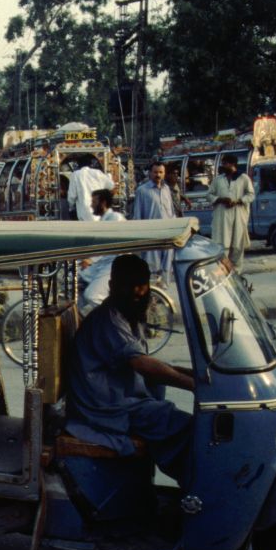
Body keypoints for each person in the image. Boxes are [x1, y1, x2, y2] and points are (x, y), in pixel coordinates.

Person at [66, 254, 194, 479]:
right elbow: (142, 364)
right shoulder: (109, 320)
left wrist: (197, 376)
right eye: (129, 285)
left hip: (123, 400)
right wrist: (193, 385)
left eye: (141, 285)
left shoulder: (127, 315)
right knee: (185, 426)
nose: (137, 291)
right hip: (106, 408)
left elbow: (151, 364)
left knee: (169, 417)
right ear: (112, 286)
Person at [80, 189, 127, 311]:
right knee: (79, 284)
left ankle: (115, 320)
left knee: (92, 295)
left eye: (94, 202)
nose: (91, 205)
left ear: (103, 203)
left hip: (115, 264)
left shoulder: (115, 218)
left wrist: (91, 259)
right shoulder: (103, 220)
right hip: (104, 263)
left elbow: (110, 244)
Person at [209, 153, 255, 272]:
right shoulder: (218, 180)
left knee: (237, 245)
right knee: (222, 244)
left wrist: (239, 201)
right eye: (223, 164)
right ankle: (223, 272)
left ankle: (236, 273)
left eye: (225, 163)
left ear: (232, 164)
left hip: (238, 214)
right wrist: (220, 199)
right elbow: (209, 195)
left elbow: (251, 195)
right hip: (222, 215)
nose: (223, 166)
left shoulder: (243, 178)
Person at [132, 161, 177, 279]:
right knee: (152, 270)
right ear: (150, 173)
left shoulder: (166, 189)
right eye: (155, 172)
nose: (158, 175)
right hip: (152, 236)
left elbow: (171, 213)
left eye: (161, 172)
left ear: (164, 174)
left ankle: (164, 294)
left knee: (167, 269)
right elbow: (137, 216)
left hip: (167, 235)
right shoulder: (142, 191)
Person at [66, 154, 115, 221]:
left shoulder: (75, 175)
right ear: (91, 164)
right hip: (99, 212)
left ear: (78, 165)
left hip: (83, 214)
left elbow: (71, 197)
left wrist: (70, 208)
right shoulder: (98, 173)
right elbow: (111, 186)